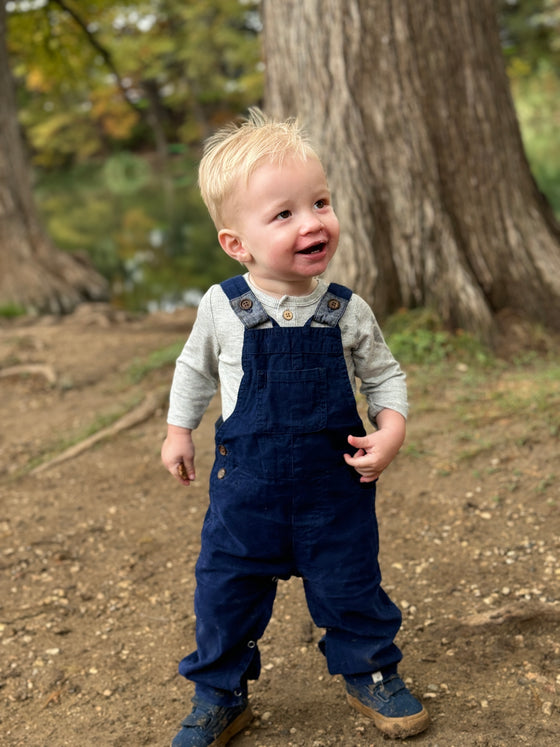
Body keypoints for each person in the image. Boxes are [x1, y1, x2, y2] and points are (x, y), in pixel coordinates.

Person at [161, 108, 429, 746]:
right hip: (245, 491)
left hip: (332, 490)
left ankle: (370, 673)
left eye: (320, 202)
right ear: (237, 243)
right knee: (224, 592)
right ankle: (220, 693)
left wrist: (390, 430)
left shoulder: (345, 309)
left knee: (351, 583)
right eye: (284, 214)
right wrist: (178, 431)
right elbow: (192, 371)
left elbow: (385, 377)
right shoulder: (225, 307)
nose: (312, 222)